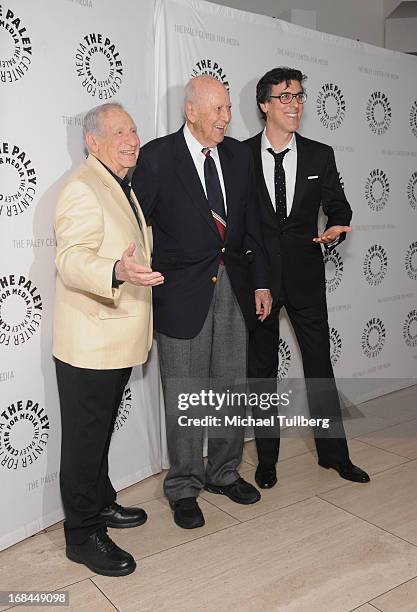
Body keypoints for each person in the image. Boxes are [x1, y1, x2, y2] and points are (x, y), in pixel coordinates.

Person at [132, 75, 272, 530]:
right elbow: (135, 225)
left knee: (230, 384)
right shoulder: (156, 157)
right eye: (217, 109)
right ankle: (184, 485)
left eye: (229, 109)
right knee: (187, 394)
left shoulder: (236, 156)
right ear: (191, 111)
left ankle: (224, 472)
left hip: (234, 287)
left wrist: (261, 283)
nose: (226, 118)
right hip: (180, 294)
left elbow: (252, 224)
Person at [245, 67, 370, 489]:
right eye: (285, 97)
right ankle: (266, 459)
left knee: (319, 366)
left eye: (299, 96)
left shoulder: (320, 154)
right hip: (259, 280)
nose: (295, 103)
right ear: (264, 104)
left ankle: (334, 455)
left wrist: (337, 225)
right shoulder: (240, 156)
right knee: (262, 370)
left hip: (306, 277)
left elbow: (341, 207)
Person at [53, 102, 164, 576]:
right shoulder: (82, 187)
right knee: (83, 443)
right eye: (119, 131)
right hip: (90, 343)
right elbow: (71, 259)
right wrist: (115, 270)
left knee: (96, 438)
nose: (131, 139)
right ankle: (81, 536)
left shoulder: (120, 185)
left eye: (134, 130)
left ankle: (100, 504)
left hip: (114, 339)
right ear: (92, 142)